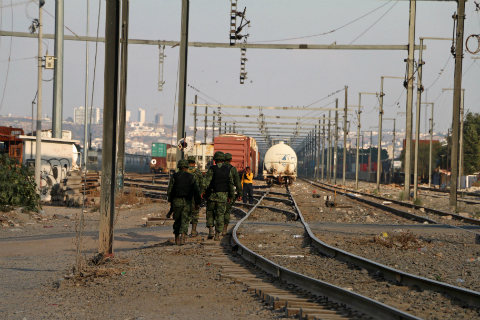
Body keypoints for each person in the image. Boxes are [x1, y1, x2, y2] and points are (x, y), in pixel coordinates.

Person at [201, 151, 240, 241]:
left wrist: (202, 192)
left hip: (211, 196)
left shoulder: (212, 169)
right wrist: (230, 196)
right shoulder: (228, 170)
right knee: (220, 215)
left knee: (210, 212)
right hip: (223, 197)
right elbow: (230, 184)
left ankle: (211, 230)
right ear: (223, 160)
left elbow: (206, 182)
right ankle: (217, 234)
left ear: (214, 160)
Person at [167, 159, 201, 246]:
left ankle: (177, 237)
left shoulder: (174, 176)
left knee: (177, 220)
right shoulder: (191, 177)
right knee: (185, 220)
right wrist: (197, 202)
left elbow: (170, 190)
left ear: (179, 167)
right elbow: (196, 191)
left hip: (176, 202)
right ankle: (183, 237)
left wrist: (170, 201)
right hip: (187, 202)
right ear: (186, 167)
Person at [222, 153, 242, 235]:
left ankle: (216, 229)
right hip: (229, 193)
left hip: (218, 193)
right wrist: (240, 193)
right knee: (227, 211)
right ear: (231, 160)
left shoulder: (218, 168)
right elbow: (237, 182)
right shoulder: (233, 169)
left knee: (219, 211)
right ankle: (224, 228)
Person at [187, 156, 204, 237]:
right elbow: (202, 185)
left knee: (185, 213)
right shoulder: (198, 172)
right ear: (194, 163)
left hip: (185, 196)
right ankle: (193, 231)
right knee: (195, 213)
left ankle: (184, 231)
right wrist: (200, 195)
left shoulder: (184, 171)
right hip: (194, 196)